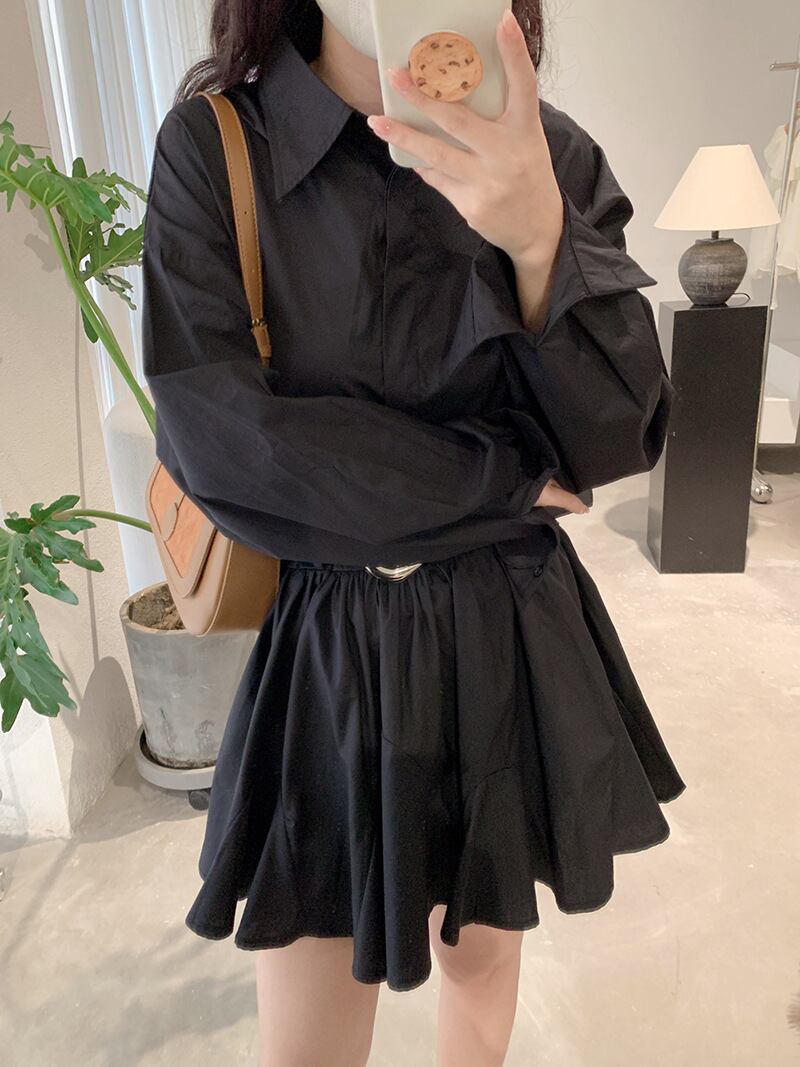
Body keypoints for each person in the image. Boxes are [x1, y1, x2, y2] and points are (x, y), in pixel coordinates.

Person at [141, 1, 687, 1064]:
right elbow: (227, 444)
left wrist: (539, 238)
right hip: (330, 650)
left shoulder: (550, 153)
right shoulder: (218, 149)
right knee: (308, 1016)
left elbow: (616, 435)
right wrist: (502, 479)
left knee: (480, 967)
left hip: (506, 632)